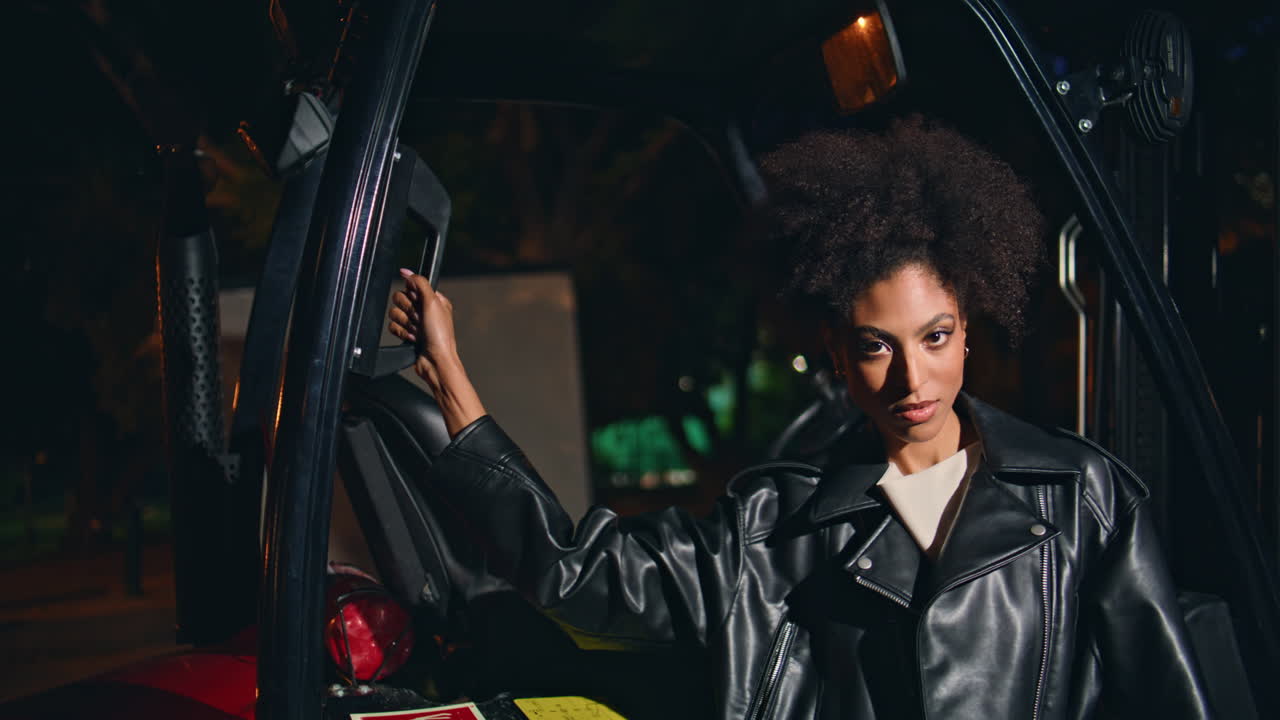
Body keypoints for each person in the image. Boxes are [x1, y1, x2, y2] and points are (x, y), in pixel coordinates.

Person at [387, 115, 1213, 719]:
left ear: (968, 329)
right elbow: (578, 575)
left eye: (935, 337)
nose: (913, 379)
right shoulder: (775, 525)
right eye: (875, 346)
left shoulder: (1084, 497)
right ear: (836, 354)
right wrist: (452, 381)